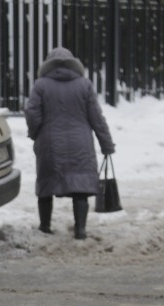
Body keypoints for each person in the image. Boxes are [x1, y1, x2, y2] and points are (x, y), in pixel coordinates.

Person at [25, 47, 115, 240]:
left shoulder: (41, 85)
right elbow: (97, 118)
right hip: (80, 143)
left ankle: (45, 226)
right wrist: (106, 144)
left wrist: (35, 133)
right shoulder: (84, 85)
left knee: (46, 184)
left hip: (50, 143)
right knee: (80, 187)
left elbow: (32, 113)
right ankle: (80, 229)